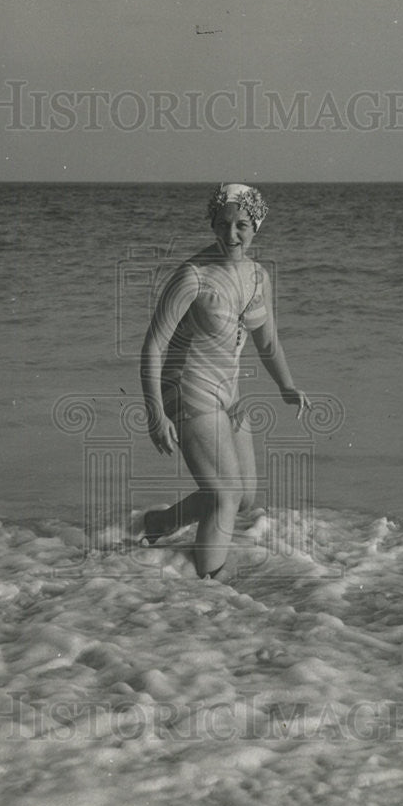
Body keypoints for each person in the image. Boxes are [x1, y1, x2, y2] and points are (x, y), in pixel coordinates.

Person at [139, 182, 311, 579]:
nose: (231, 235)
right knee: (225, 496)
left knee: (245, 497)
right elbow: (151, 347)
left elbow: (267, 339)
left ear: (257, 226)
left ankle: (161, 524)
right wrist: (155, 415)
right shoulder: (193, 277)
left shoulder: (258, 278)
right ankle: (211, 593)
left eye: (242, 225)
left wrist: (286, 386)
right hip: (186, 388)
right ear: (212, 225)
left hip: (227, 393)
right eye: (223, 224)